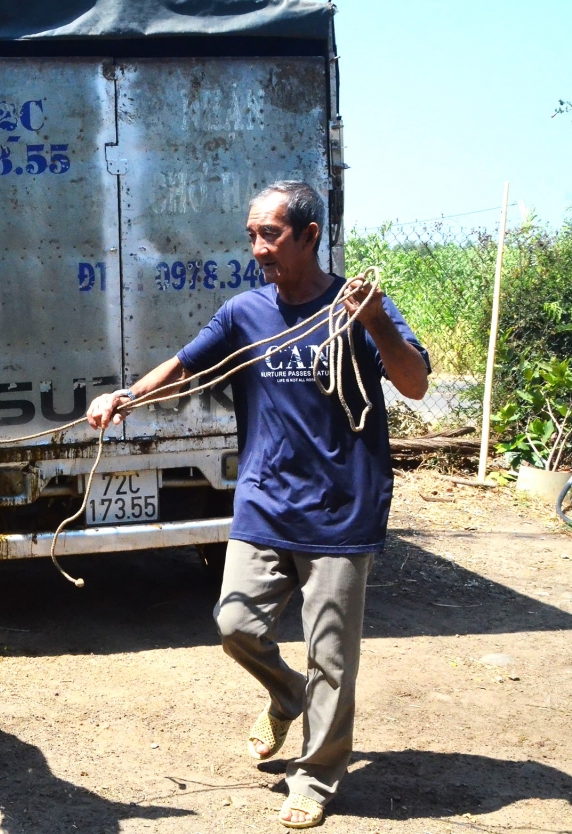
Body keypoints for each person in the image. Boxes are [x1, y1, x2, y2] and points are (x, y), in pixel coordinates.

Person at [86, 181, 429, 829]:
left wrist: (377, 322)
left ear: (309, 234)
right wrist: (125, 397)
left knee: (331, 655)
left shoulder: (356, 307)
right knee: (234, 625)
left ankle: (317, 777)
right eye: (252, 236)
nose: (257, 249)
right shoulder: (245, 312)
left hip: (342, 507)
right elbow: (185, 366)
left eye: (269, 235)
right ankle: (285, 694)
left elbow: (413, 383)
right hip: (266, 503)